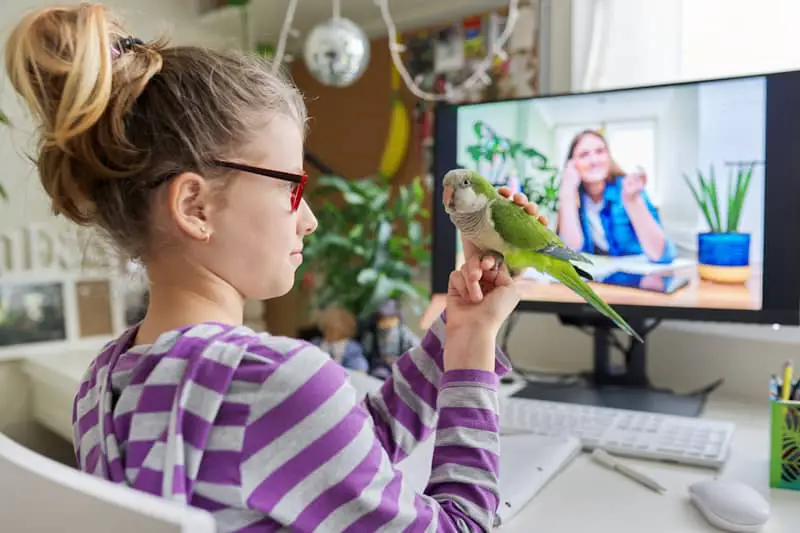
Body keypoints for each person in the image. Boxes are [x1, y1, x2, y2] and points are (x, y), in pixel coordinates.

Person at [4, 4, 548, 531]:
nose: (308, 219)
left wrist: (461, 331)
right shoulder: (275, 383)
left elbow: (340, 454)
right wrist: (474, 359)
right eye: (292, 186)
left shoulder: (105, 383)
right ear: (195, 207)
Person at [556, 129, 676, 264]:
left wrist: (633, 202)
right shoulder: (576, 198)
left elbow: (663, 255)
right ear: (572, 164)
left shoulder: (629, 189)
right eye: (584, 155)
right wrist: (567, 193)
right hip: (602, 281)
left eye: (600, 151)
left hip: (639, 279)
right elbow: (570, 252)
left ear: (609, 157)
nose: (594, 160)